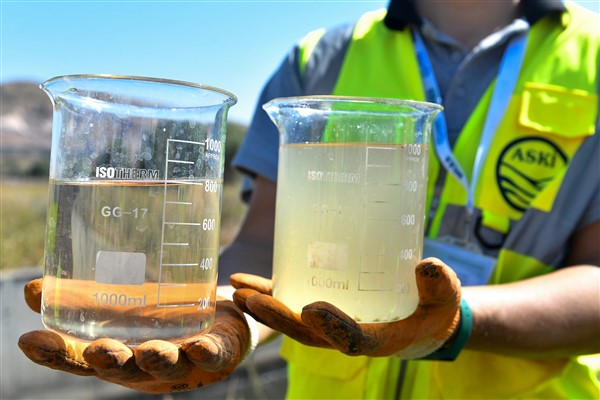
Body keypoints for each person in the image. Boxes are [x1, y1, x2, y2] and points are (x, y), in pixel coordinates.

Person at [19, 0, 600, 398]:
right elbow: (263, 244)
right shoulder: (320, 56)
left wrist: (455, 324)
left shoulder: (593, 60)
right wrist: (219, 312)